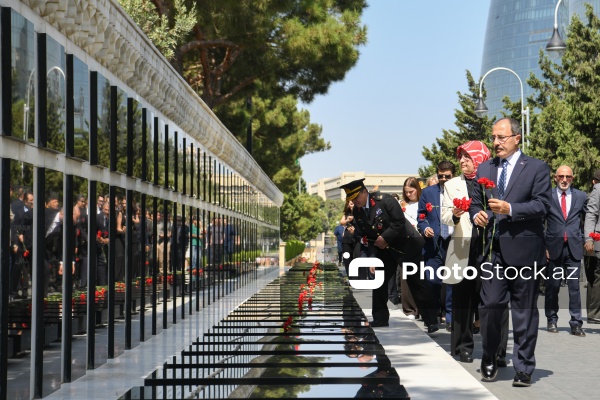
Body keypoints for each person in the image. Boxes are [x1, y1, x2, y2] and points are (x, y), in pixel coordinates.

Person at [470, 117, 552, 387]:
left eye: (501, 137)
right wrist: (477, 215)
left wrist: (511, 209)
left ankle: (524, 367)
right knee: (491, 305)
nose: (495, 143)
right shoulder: (485, 168)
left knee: (524, 310)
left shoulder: (537, 168)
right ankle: (491, 356)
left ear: (517, 138)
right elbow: (474, 203)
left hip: (525, 250)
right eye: (493, 137)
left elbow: (542, 205)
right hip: (493, 252)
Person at [340, 178, 438, 332]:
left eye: (355, 197)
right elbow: (367, 236)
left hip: (406, 246)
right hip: (384, 250)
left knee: (417, 283)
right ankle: (379, 318)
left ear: (364, 192)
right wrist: (373, 258)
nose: (354, 202)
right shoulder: (358, 212)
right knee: (379, 281)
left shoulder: (385, 200)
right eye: (351, 199)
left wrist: (385, 238)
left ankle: (431, 320)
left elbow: (398, 223)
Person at [442, 141, 497, 364]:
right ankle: (463, 345)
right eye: (461, 157)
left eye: (467, 157)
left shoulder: (492, 181)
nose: (462, 161)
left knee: (487, 298)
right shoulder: (452, 184)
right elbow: (445, 216)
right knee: (462, 300)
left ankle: (493, 347)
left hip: (488, 248)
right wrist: (455, 215)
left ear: (480, 159)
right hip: (462, 247)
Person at [544, 165, 586, 336]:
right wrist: (543, 246)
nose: (564, 180)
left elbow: (588, 218)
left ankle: (576, 323)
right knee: (553, 286)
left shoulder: (581, 196)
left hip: (574, 248)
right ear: (555, 177)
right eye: (561, 176)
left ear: (572, 179)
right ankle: (551, 319)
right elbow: (540, 222)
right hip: (553, 249)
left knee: (574, 287)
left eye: (568, 177)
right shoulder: (547, 196)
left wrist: (586, 237)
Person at [418, 160, 455, 331]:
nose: (444, 179)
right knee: (431, 283)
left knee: (452, 282)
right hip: (433, 245)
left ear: (453, 175)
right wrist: (425, 228)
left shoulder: (459, 190)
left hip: (454, 243)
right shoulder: (427, 193)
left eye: (447, 176)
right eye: (441, 176)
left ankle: (450, 317)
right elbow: (421, 216)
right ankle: (432, 320)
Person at [398, 177, 422, 319]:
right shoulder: (401, 205)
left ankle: (422, 307)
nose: (409, 195)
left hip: (422, 241)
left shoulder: (424, 203)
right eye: (406, 192)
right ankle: (409, 309)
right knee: (406, 276)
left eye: (411, 191)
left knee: (422, 276)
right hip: (406, 243)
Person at [583, 169, 600, 324]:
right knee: (597, 277)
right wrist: (589, 238)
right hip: (598, 239)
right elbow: (591, 214)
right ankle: (594, 314)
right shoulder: (598, 189)